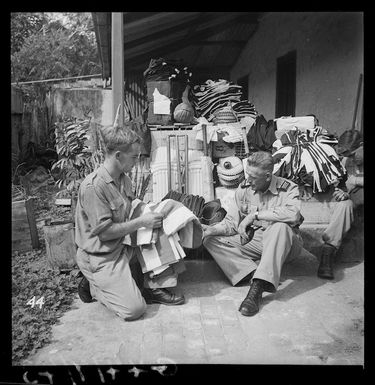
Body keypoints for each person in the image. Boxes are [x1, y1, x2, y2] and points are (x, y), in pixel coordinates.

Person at [75, 124, 185, 322]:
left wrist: (153, 210)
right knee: (134, 310)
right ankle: (93, 285)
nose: (137, 161)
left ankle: (152, 288)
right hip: (102, 255)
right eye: (134, 157)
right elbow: (105, 233)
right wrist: (142, 221)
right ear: (118, 156)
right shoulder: (94, 187)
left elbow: (130, 206)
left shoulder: (123, 179)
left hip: (122, 246)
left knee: (162, 228)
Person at [202, 151, 304, 317]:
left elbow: (293, 214)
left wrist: (254, 215)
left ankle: (257, 287)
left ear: (268, 176)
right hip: (257, 241)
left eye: (253, 177)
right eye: (247, 174)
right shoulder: (244, 190)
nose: (248, 180)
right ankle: (252, 271)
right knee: (211, 240)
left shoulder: (288, 188)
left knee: (279, 227)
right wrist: (210, 230)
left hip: (286, 244)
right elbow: (232, 224)